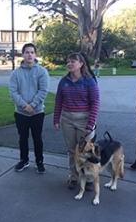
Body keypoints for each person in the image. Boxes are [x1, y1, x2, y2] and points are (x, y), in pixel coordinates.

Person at [53, 52, 100, 190]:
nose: (70, 64)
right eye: (68, 61)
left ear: (81, 64)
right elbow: (58, 101)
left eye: (73, 61)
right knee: (72, 150)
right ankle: (73, 176)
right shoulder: (64, 81)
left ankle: (89, 178)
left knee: (88, 150)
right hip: (67, 119)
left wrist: (90, 124)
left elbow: (95, 103)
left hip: (84, 119)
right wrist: (56, 119)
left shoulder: (89, 81)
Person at [9, 43, 49, 174]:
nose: (30, 55)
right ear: (23, 54)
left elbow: (43, 90)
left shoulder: (42, 72)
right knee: (22, 138)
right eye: (27, 52)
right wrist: (24, 106)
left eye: (32, 52)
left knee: (38, 138)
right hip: (20, 113)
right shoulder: (16, 73)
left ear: (35, 54)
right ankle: (24, 160)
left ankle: (39, 162)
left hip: (37, 112)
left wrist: (32, 106)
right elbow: (13, 92)